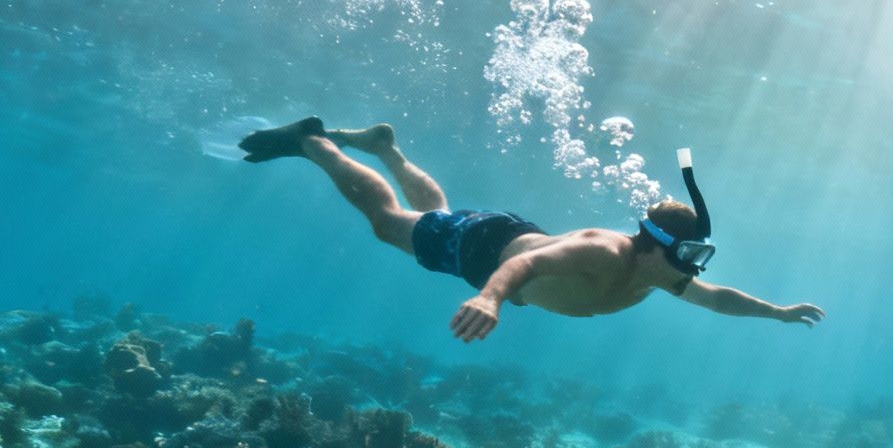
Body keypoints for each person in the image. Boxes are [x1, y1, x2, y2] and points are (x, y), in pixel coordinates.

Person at [238, 117, 826, 343]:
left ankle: (386, 146)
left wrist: (777, 313)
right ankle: (313, 143)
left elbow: (718, 299)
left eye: (700, 256)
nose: (694, 268)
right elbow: (527, 265)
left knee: (434, 213)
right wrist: (490, 298)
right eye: (690, 254)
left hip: (497, 235)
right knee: (388, 224)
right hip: (485, 250)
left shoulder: (660, 276)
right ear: (657, 245)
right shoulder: (603, 252)